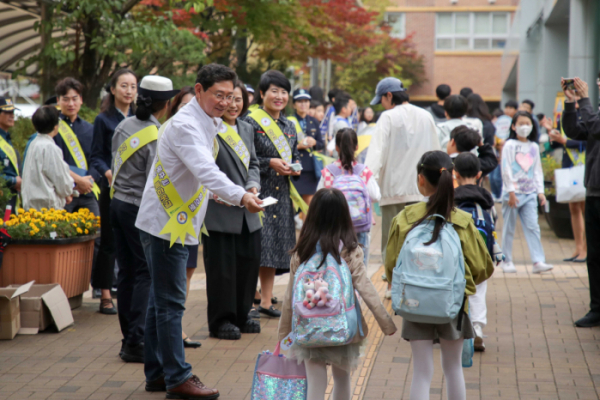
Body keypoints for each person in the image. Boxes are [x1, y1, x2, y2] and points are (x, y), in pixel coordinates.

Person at [135, 63, 263, 397]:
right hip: (166, 226)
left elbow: (198, 177)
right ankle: (177, 377)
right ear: (198, 90)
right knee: (171, 303)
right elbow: (206, 170)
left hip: (169, 221)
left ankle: (157, 374)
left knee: (159, 303)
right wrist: (241, 195)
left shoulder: (207, 121)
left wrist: (226, 197)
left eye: (230, 96)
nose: (225, 102)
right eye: (218, 95)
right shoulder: (187, 125)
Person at [385, 150, 494, 400]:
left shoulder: (405, 219)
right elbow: (482, 268)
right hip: (452, 305)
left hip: (414, 302)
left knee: (422, 372)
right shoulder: (463, 221)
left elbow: (391, 265)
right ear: (451, 178)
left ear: (421, 179)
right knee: (453, 368)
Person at [278, 188, 397, 400]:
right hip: (343, 326)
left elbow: (290, 297)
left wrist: (283, 334)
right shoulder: (351, 250)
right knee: (342, 379)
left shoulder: (301, 252)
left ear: (312, 216)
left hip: (308, 326)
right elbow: (365, 286)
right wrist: (385, 322)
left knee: (315, 381)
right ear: (344, 216)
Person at [111, 75, 178, 364]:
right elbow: (157, 180)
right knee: (143, 273)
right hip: (138, 207)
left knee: (126, 271)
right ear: (166, 105)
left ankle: (128, 336)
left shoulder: (124, 125)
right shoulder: (156, 133)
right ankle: (136, 340)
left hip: (117, 203)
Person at [366, 77, 440, 297]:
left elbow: (375, 154)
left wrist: (367, 181)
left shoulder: (387, 117)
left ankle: (392, 285)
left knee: (392, 239)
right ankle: (417, 282)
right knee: (420, 238)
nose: (382, 105)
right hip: (423, 190)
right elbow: (436, 152)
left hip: (393, 189)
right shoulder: (426, 116)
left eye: (382, 100)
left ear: (389, 96)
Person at [203, 80, 262, 340]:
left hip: (248, 211)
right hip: (220, 210)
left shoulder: (247, 129)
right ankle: (221, 320)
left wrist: (253, 184)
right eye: (229, 99)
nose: (233, 105)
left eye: (238, 99)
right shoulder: (209, 129)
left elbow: (254, 163)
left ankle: (241, 313)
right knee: (222, 269)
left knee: (248, 264)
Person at [244, 70, 302, 318]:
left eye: (283, 92)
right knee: (255, 247)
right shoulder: (250, 122)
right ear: (262, 94)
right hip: (258, 193)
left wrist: (295, 168)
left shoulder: (290, 125)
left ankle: (266, 301)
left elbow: (295, 156)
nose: (279, 96)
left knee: (272, 250)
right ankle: (248, 299)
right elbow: (246, 157)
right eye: (274, 91)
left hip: (282, 196)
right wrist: (270, 162)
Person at [91, 69, 137, 314]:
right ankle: (105, 294)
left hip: (137, 190)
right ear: (112, 89)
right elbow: (96, 156)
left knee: (133, 242)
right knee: (109, 242)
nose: (128, 91)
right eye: (123, 85)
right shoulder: (104, 119)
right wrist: (108, 173)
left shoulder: (141, 118)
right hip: (112, 189)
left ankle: (129, 290)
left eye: (133, 86)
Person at [164, 86, 203, 348]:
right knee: (169, 280)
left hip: (193, 215)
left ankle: (178, 327)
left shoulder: (206, 132)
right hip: (168, 218)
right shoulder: (170, 131)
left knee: (188, 272)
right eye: (184, 105)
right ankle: (170, 333)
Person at [560, 76, 600, 327]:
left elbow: (596, 128)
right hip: (594, 191)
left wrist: (584, 101)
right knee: (594, 255)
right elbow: (576, 131)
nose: (596, 83)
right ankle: (597, 308)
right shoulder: (594, 112)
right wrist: (571, 104)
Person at [453, 152, 497, 352]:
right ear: (479, 174)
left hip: (456, 254)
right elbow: (493, 222)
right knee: (479, 289)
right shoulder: (487, 199)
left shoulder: (452, 198)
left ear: (455, 173)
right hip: (481, 253)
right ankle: (478, 328)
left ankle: (455, 329)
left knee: (456, 290)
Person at [318, 128, 380, 265]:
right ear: (356, 147)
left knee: (335, 265)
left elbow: (319, 199)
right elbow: (376, 195)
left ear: (336, 147)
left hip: (333, 227)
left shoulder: (328, 172)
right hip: (359, 225)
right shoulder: (364, 171)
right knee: (359, 268)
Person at [500, 111, 553, 274]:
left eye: (527, 123)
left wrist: (540, 191)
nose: (524, 127)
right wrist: (511, 191)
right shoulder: (509, 145)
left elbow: (537, 170)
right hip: (513, 194)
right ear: (514, 127)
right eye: (521, 123)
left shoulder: (534, 147)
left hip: (530, 193)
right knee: (509, 227)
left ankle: (538, 261)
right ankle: (506, 260)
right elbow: (506, 168)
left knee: (533, 227)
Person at [544, 109, 587, 263]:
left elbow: (588, 141)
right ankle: (578, 247)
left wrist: (564, 141)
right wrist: (551, 131)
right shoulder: (564, 116)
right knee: (573, 208)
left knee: (585, 209)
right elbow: (555, 145)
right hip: (569, 167)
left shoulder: (588, 114)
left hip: (583, 166)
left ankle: (586, 250)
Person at [22, 106, 73, 210]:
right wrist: (68, 192)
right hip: (47, 209)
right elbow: (62, 180)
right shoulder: (50, 147)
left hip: (30, 207)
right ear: (55, 126)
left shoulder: (33, 143)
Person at [287, 89, 324, 206]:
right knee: (292, 204)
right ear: (294, 104)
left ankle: (307, 225)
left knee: (309, 204)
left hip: (310, 168)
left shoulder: (314, 121)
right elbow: (283, 146)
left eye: (306, 101)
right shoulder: (288, 121)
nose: (303, 104)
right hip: (294, 167)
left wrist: (314, 143)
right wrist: (298, 146)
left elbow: (321, 144)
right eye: (299, 101)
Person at [0, 97, 21, 208]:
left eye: (12, 112)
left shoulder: (8, 139)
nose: (12, 115)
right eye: (7, 112)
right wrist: (13, 181)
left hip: (11, 197)